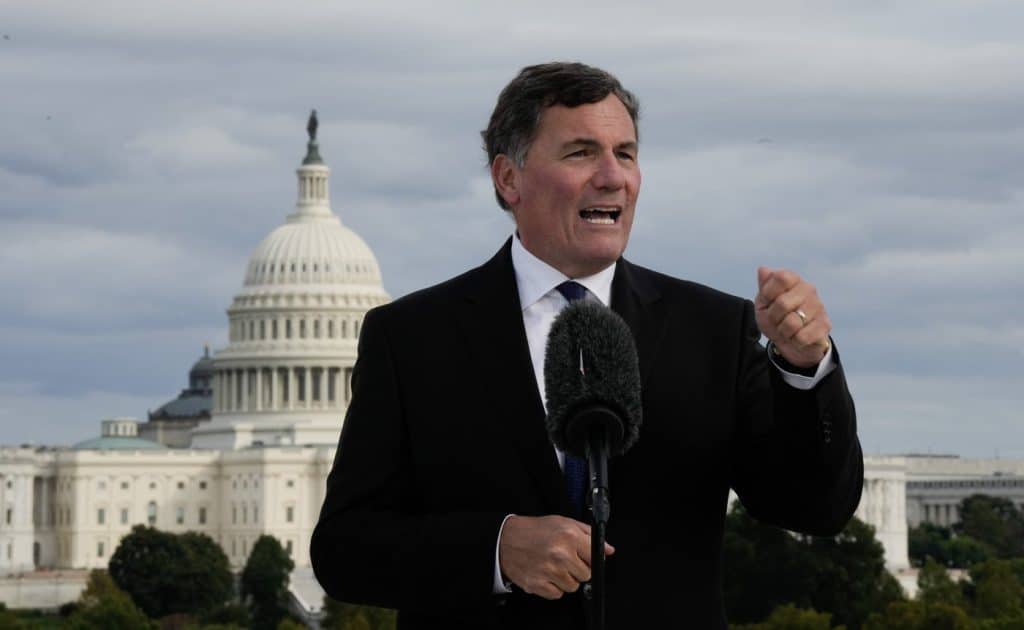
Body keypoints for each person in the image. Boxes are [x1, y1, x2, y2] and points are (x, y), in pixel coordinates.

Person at [311, 62, 862, 629]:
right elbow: (344, 549)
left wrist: (804, 369)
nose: (612, 177)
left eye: (625, 154)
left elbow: (814, 508)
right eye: (580, 153)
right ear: (508, 179)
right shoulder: (412, 338)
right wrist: (496, 550)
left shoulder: (715, 329)